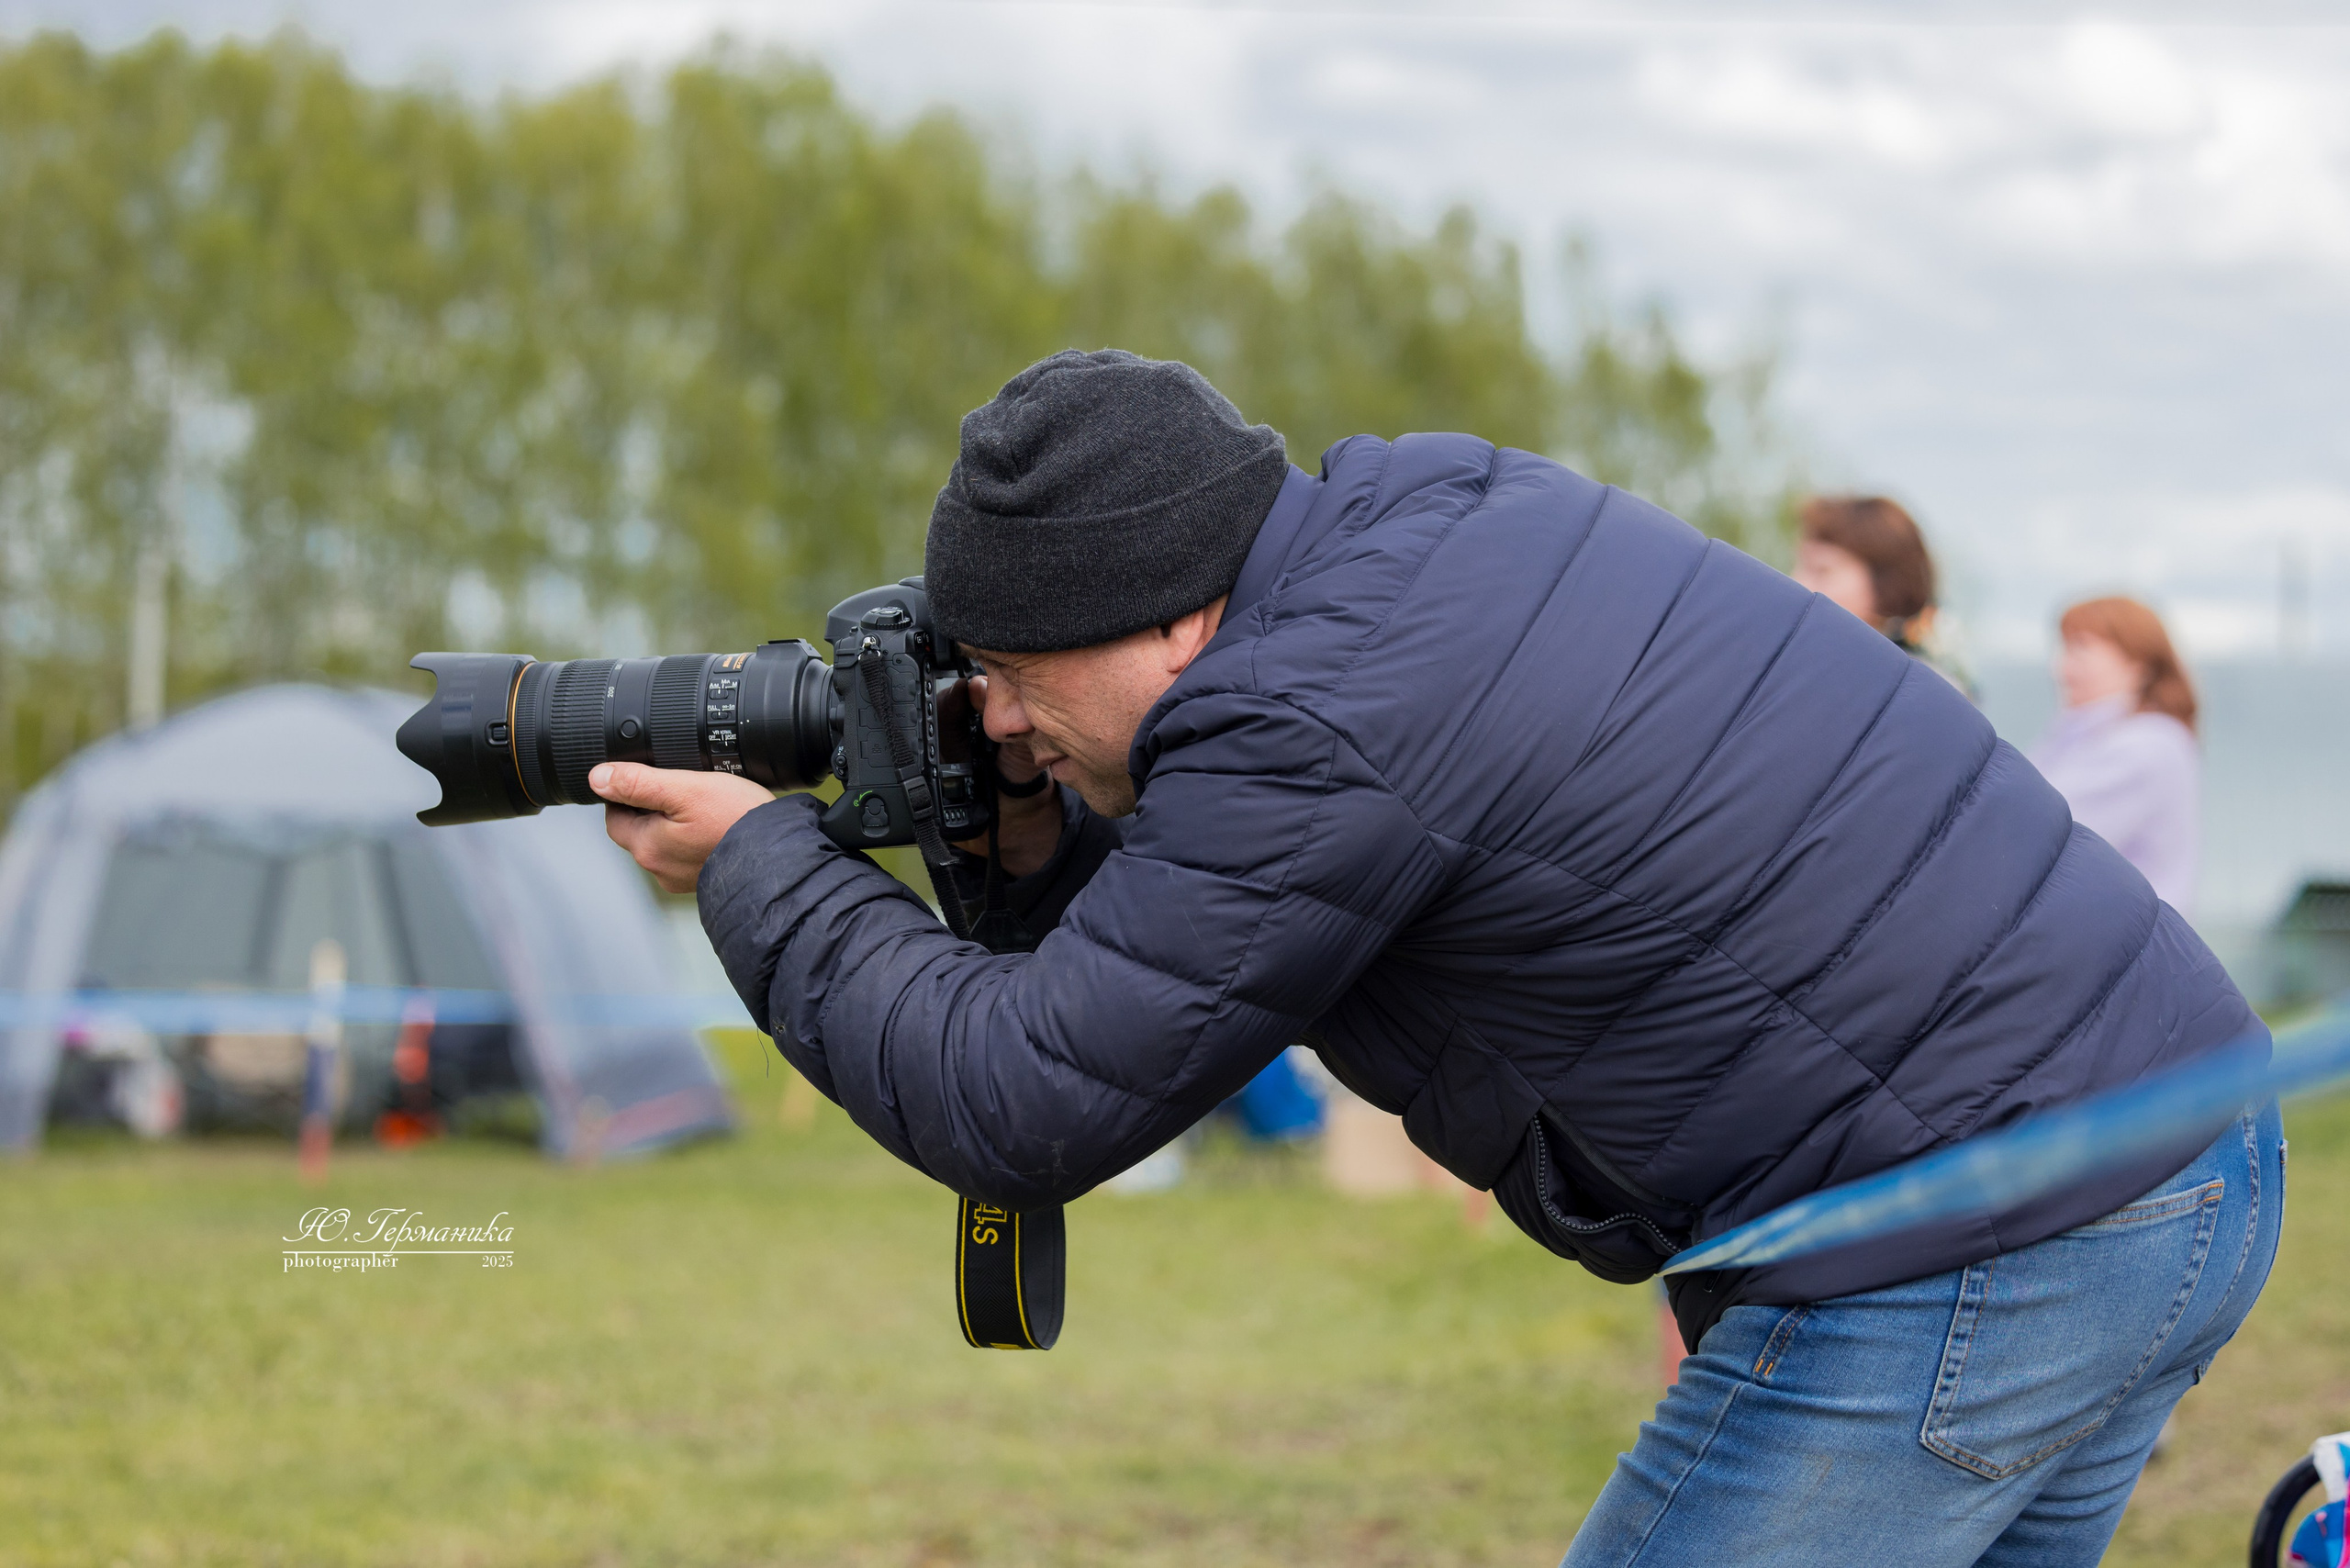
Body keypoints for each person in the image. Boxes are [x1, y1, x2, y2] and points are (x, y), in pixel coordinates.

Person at [590, 350, 2280, 1565]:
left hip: (1981, 1245)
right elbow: (1239, 923)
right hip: (2177, 1155)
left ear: (1172, 612)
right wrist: (1035, 842)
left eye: (1024, 671)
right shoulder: (1428, 514)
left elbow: (1025, 1098)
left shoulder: (1305, 722)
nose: (1005, 714)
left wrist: (758, 862)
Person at [2030, 596, 2200, 915]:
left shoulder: (2151, 744)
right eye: (2063, 649)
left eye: (2080, 648)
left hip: (2126, 952)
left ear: (2137, 662)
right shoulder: (2084, 735)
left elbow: (2035, 831)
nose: (2061, 669)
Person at [1790, 493, 1972, 691]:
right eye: (1799, 565)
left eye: (1821, 570)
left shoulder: (1930, 693)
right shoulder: (1798, 671)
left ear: (1886, 585)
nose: (1798, 581)